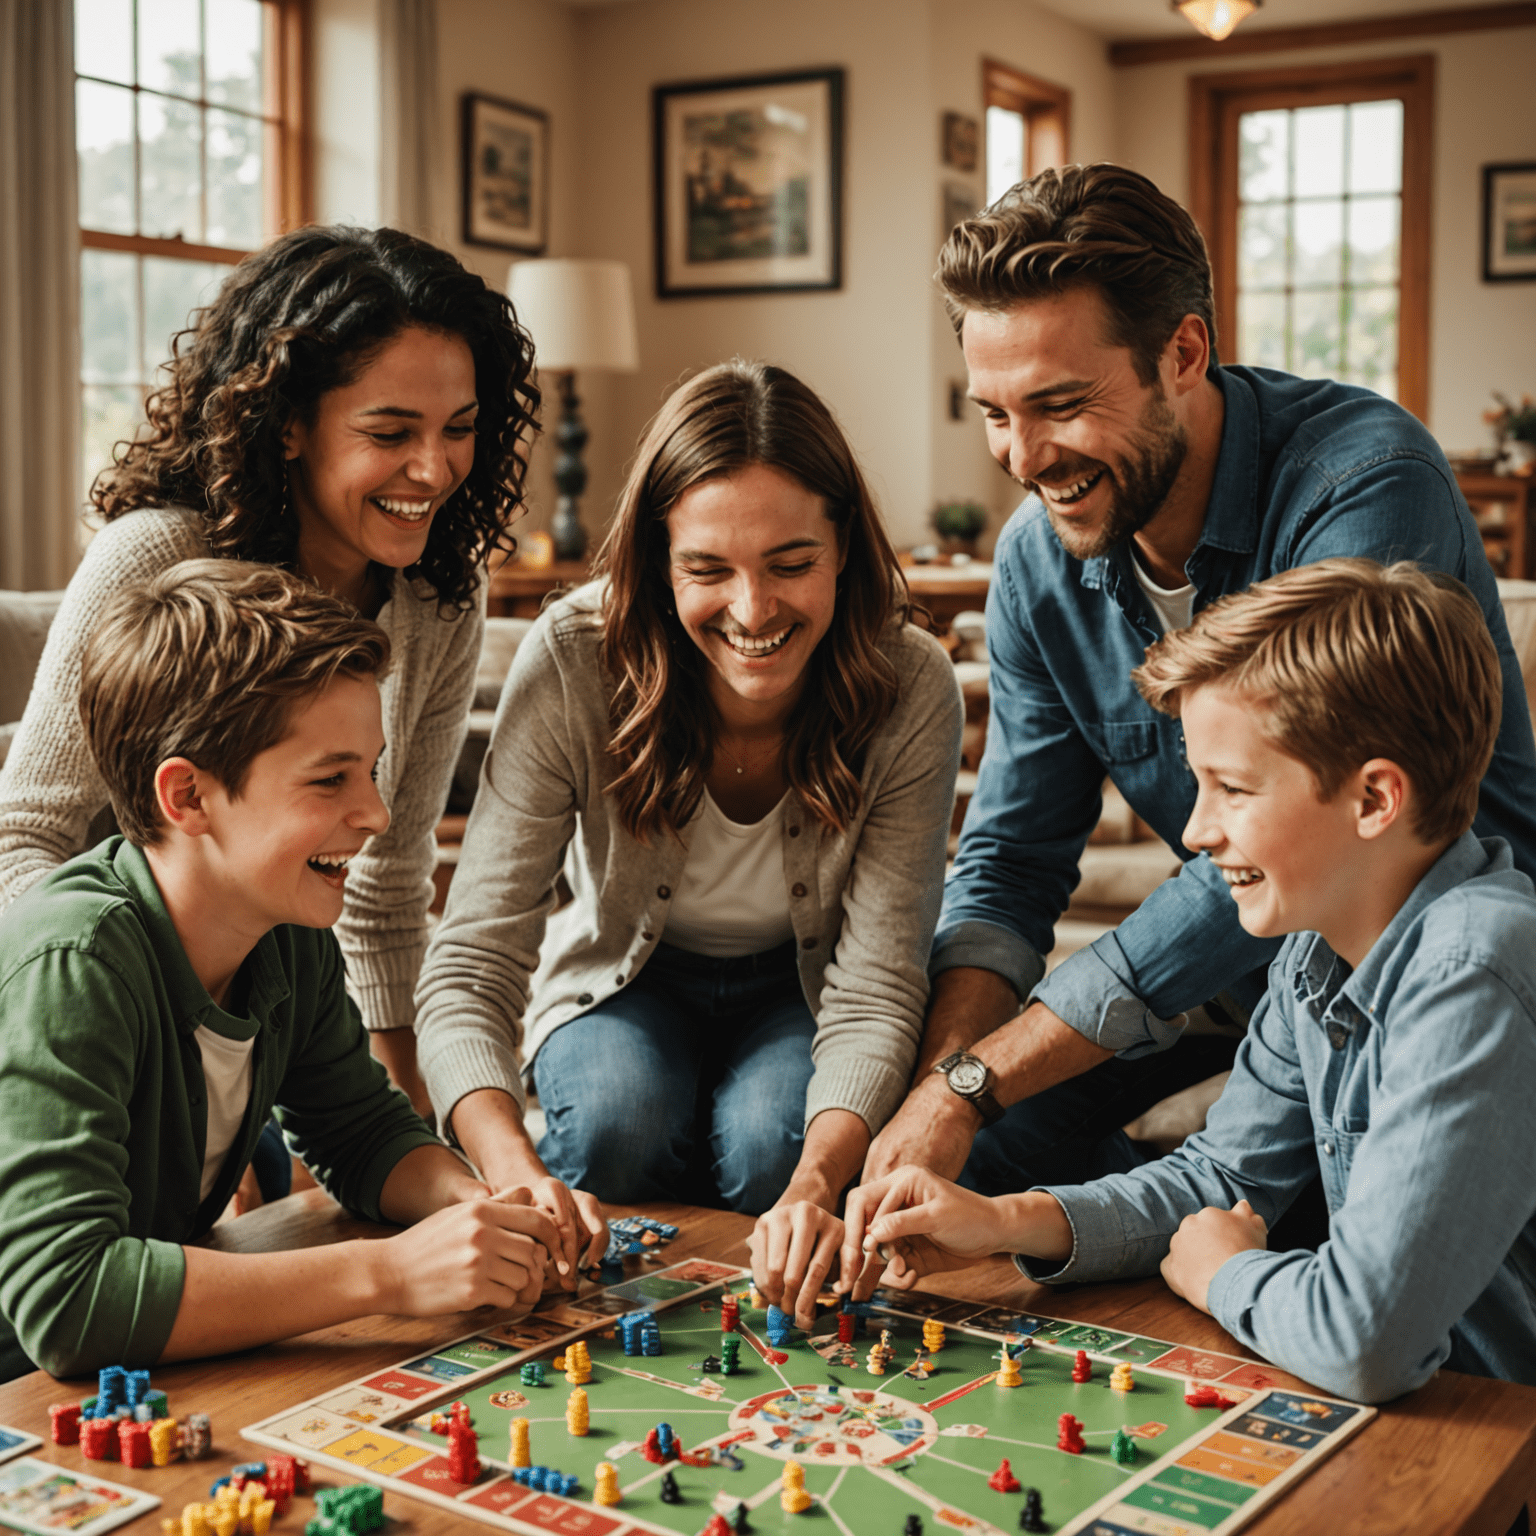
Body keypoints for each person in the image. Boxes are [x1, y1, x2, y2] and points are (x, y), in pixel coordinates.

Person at [864, 163, 1536, 1196]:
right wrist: (941, 1089)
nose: (1023, 456)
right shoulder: (1035, 565)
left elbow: (1300, 840)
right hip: (1221, 968)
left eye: (1060, 405)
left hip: (1403, 956)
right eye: (994, 413)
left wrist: (976, 1083)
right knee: (969, 1174)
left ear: (1184, 352)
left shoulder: (1364, 484)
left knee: (1296, 1228)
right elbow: (1010, 861)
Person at [842, 559, 1536, 1404]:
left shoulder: (1473, 966)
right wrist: (1000, 1223)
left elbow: (1365, 1342)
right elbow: (1220, 1181)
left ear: (1374, 800)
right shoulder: (1313, 954)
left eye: (1232, 790)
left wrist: (1226, 1275)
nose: (1197, 831)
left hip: (1493, 1439)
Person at [413, 361, 964, 1322]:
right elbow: (469, 964)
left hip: (807, 991)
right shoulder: (573, 656)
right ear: (659, 564)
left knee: (768, 1146)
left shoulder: (911, 682)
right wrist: (509, 1173)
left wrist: (811, 1190)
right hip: (617, 982)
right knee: (622, 1120)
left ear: (844, 547)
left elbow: (877, 987)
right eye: (707, 570)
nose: (754, 613)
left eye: (792, 563)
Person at [0, 223, 540, 1154]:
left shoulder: (440, 595)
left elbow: (389, 886)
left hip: (281, 1000)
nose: (434, 469)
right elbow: (23, 838)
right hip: (96, 1013)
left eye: (459, 429)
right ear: (288, 422)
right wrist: (167, 1039)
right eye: (389, 432)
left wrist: (400, 1130)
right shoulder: (158, 557)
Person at [0, 562, 560, 1384]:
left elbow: (361, 1131)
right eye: (330, 778)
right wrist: (394, 1273)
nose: (374, 812)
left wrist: (473, 1210)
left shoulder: (286, 936)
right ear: (186, 797)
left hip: (139, 1374)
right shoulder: (73, 964)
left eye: (370, 770)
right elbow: (69, 1300)